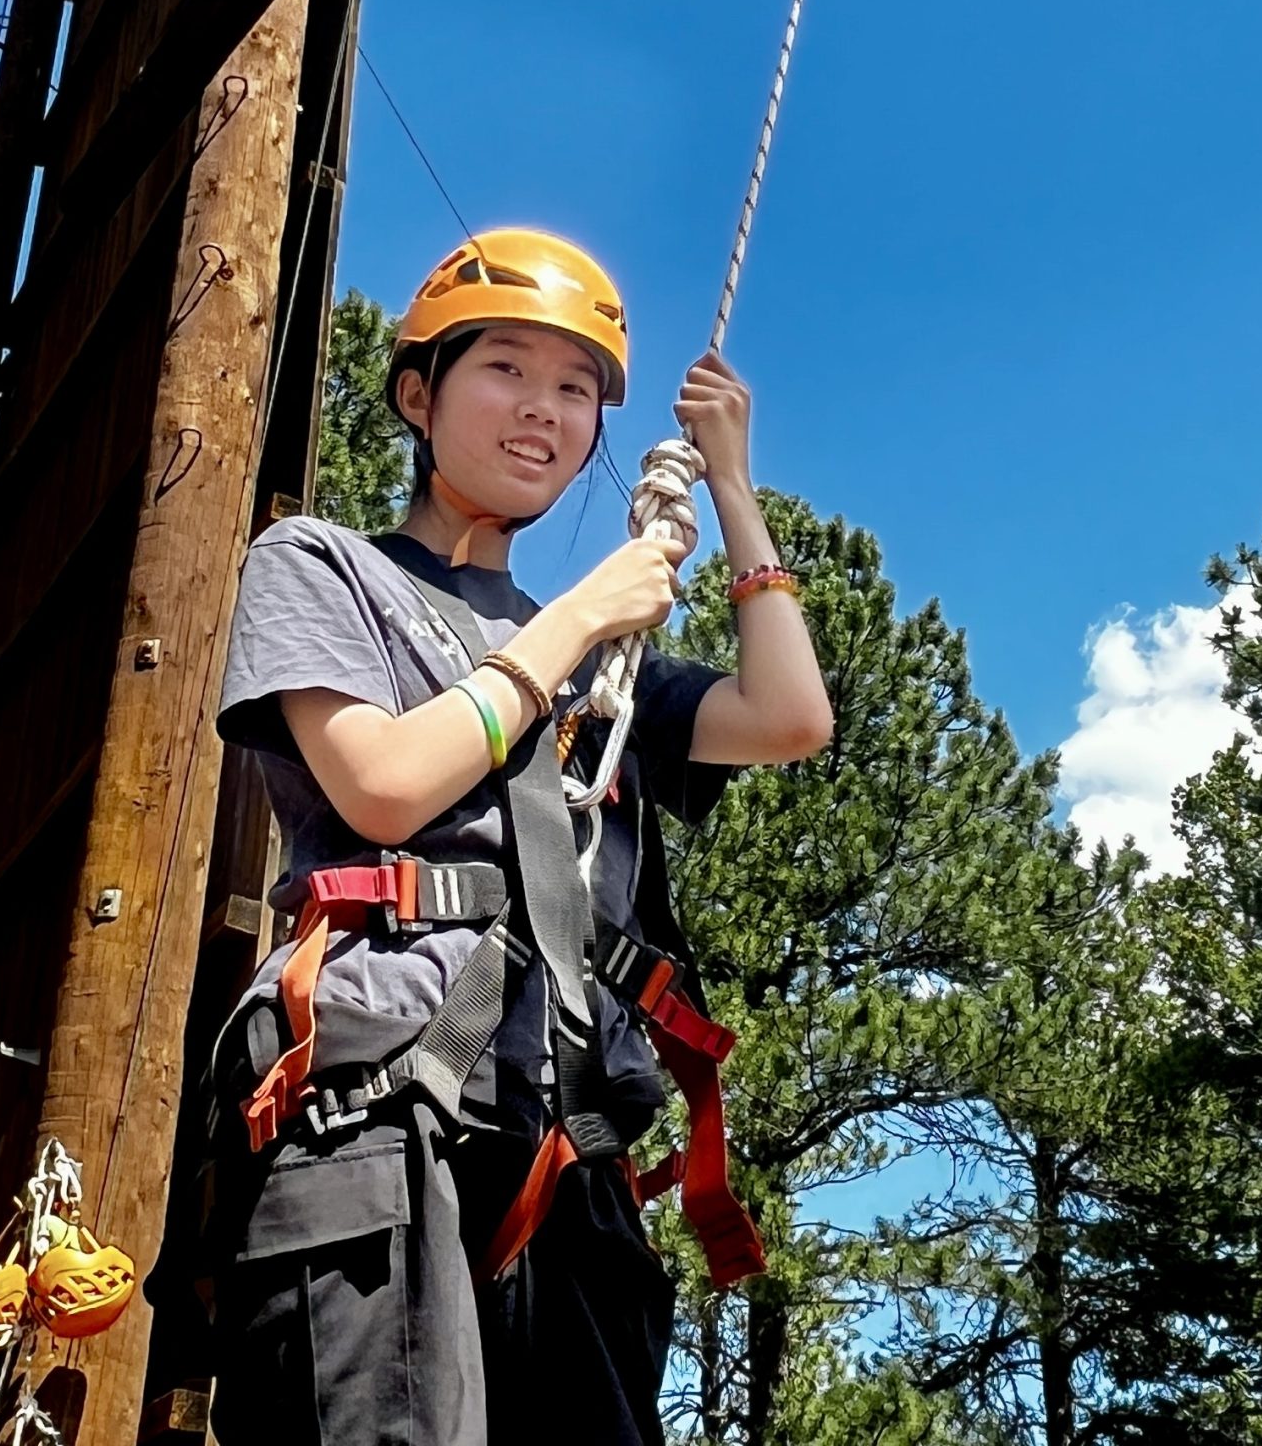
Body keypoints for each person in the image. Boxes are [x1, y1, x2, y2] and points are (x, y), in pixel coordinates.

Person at [203, 228, 832, 1446]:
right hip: (383, 1107)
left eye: (577, 389)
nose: (544, 410)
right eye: (505, 369)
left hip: (563, 1145)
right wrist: (587, 612)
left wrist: (734, 484)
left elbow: (789, 715)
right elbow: (382, 783)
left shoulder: (605, 670)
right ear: (416, 392)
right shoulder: (324, 567)